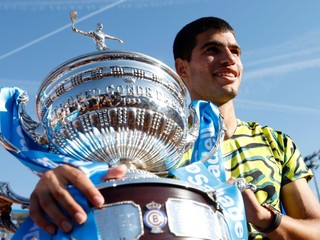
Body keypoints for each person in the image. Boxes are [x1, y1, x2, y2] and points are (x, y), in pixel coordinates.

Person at [29, 17, 320, 239]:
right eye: (212, 50)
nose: (229, 59)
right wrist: (60, 186)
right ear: (182, 68)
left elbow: (316, 229)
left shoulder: (275, 142)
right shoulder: (147, 146)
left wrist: (265, 219)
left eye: (235, 51)